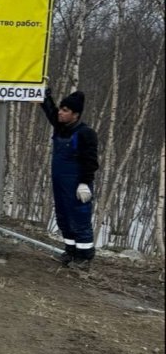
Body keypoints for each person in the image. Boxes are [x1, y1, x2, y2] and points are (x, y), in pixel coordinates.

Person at [40, 88, 99, 271]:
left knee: (79, 219)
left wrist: (84, 183)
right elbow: (50, 111)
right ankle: (70, 251)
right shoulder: (60, 128)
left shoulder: (85, 133)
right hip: (60, 184)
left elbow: (90, 161)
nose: (60, 112)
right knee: (63, 217)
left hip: (77, 185)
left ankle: (84, 257)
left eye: (65, 110)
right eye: (61, 108)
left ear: (75, 114)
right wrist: (45, 96)